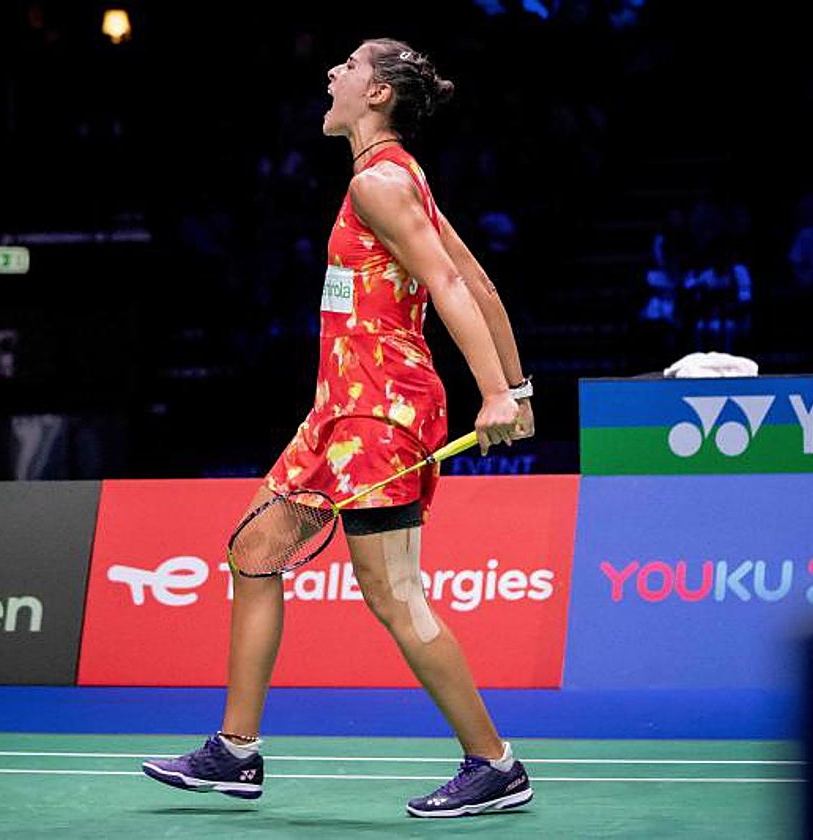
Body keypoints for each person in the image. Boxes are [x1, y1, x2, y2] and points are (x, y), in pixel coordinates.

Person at [142, 37, 536, 819]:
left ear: (380, 94)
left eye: (350, 67)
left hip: (379, 410)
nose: (333, 74)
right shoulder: (394, 179)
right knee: (254, 550)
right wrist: (518, 389)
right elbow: (480, 279)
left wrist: (495, 394)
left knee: (395, 596)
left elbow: (452, 284)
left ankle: (495, 764)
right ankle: (235, 752)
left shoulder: (383, 184)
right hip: (339, 410)